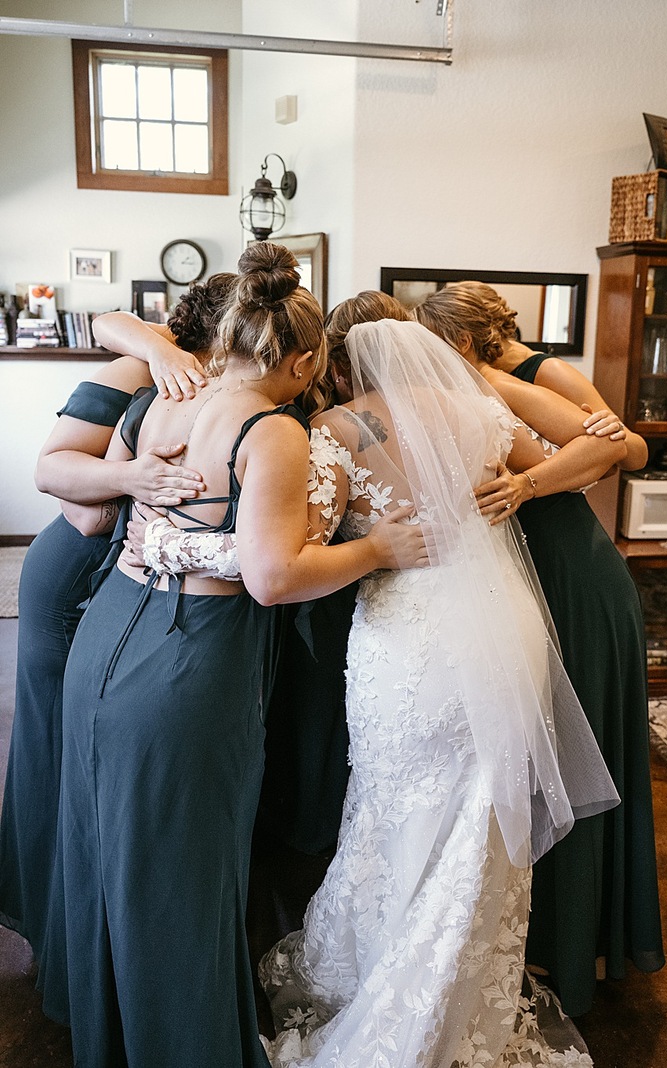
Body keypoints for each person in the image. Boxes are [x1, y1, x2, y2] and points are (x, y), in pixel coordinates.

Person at [55, 244, 427, 1068]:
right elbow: (274, 577)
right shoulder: (275, 430)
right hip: (190, 659)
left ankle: (116, 1033)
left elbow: (111, 512)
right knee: (187, 863)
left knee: (113, 844)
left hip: (107, 636)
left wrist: (175, 539)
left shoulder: (161, 401)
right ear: (303, 361)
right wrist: (379, 550)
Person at [252, 317, 619, 1067]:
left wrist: (371, 545)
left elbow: (299, 560)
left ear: (343, 369)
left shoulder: (336, 429)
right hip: (503, 622)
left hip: (409, 636)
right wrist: (526, 483)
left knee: (395, 797)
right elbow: (597, 453)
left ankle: (394, 980)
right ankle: (464, 989)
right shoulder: (481, 408)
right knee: (483, 804)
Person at [415, 281, 665, 1018]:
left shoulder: (532, 373)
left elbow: (627, 449)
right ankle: (536, 928)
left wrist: (526, 482)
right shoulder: (468, 386)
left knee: (580, 749)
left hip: (574, 580)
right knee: (537, 749)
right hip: (524, 580)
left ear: (463, 342)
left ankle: (578, 936)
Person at [0, 329, 206, 1024]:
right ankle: (53, 928)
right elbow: (60, 482)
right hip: (69, 583)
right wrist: (131, 477)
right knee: (57, 751)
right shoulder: (138, 365)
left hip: (121, 575)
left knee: (86, 759)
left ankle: (78, 930)